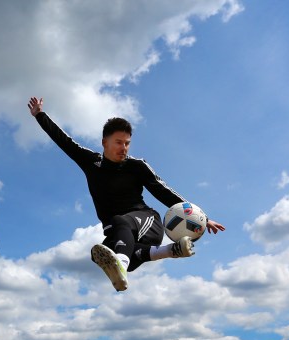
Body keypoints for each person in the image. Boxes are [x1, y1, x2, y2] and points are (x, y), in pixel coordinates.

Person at [27, 97, 224, 292]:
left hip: (148, 223)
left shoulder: (136, 166)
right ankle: (170, 251)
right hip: (118, 230)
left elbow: (162, 191)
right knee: (102, 254)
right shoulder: (91, 162)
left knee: (121, 233)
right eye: (118, 142)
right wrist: (39, 115)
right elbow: (64, 141)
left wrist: (203, 217)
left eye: (127, 143)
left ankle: (121, 261)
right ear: (104, 142)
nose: (124, 148)